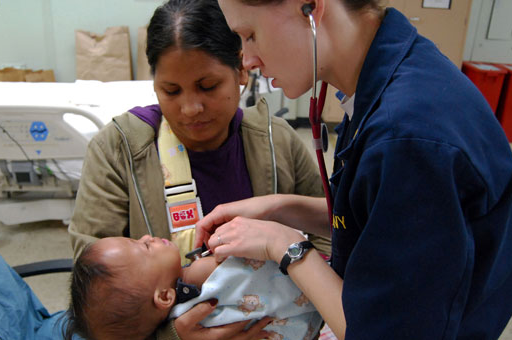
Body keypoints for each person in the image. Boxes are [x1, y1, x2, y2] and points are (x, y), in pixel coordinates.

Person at [196, 0, 512, 339]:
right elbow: (383, 217)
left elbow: (382, 332)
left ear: (310, 7)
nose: (248, 59)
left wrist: (284, 245)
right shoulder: (387, 75)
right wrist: (278, 208)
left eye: (250, 35)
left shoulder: (406, 138)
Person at [68, 0, 330, 338]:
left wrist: (300, 305)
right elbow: (96, 292)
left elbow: (331, 231)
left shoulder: (275, 140)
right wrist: (174, 335)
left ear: (241, 71)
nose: (190, 108)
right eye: (171, 91)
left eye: (208, 87)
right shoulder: (120, 150)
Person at [63, 235, 322, 340]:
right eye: (144, 247)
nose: (147, 236)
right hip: (320, 292)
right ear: (165, 296)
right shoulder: (200, 273)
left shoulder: (172, 315)